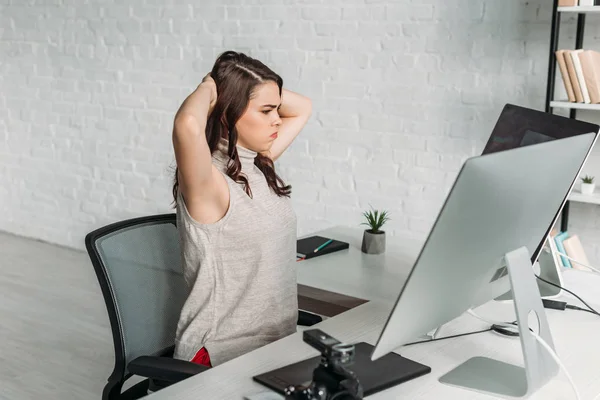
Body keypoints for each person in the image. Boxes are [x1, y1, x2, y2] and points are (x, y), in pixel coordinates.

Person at [171, 50, 312, 367]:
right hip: (223, 354)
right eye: (266, 111)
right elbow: (187, 125)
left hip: (274, 347)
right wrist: (213, 87)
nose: (277, 118)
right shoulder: (210, 183)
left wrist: (251, 85)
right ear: (227, 113)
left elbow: (303, 108)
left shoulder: (258, 164)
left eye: (276, 109)